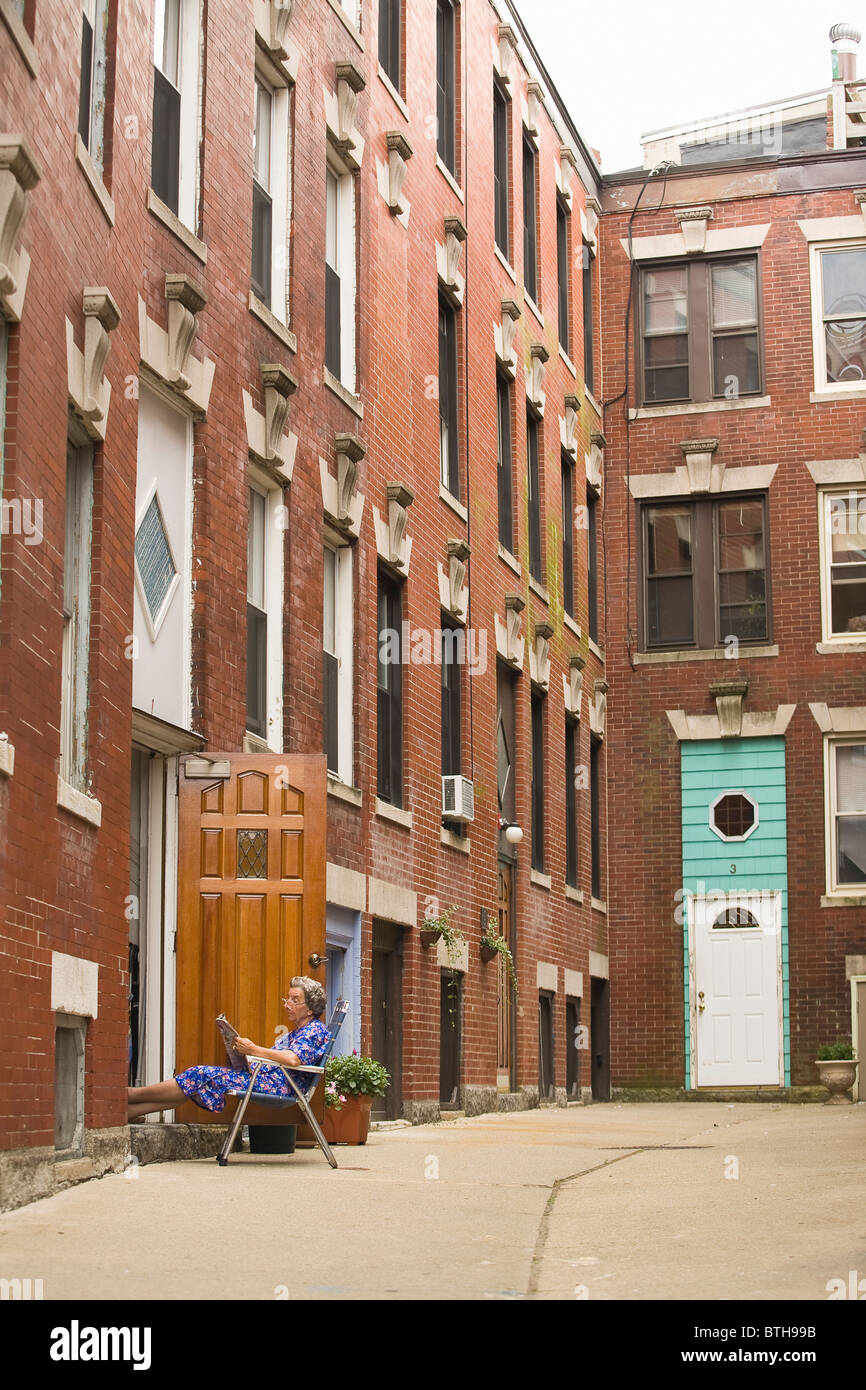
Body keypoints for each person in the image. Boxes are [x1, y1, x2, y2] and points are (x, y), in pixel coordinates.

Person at [127, 976, 329, 1121]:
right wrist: (242, 1053)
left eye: (295, 1000)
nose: (287, 1005)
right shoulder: (297, 1032)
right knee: (197, 1081)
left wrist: (253, 1049)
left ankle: (131, 1095)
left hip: (281, 1087)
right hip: (266, 1078)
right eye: (287, 999)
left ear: (310, 1008)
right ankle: (132, 1112)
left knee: (199, 1074)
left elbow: (293, 1059)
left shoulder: (313, 1031)